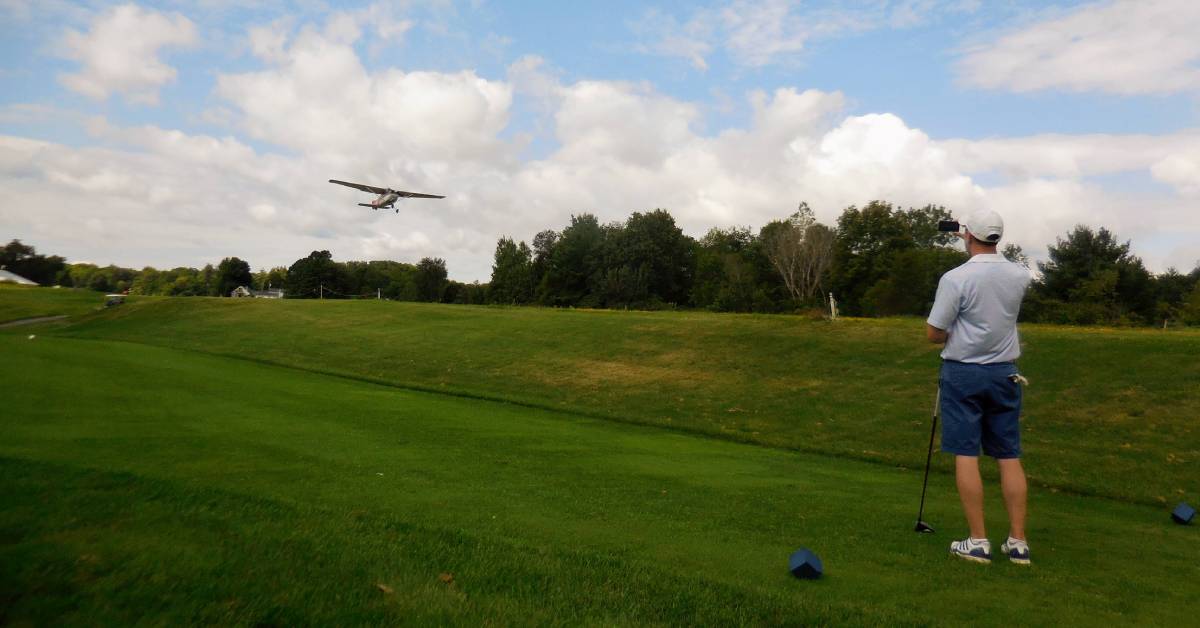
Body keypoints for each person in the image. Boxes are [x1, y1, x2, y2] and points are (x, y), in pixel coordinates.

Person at [926, 209, 1032, 565]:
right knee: (1008, 455)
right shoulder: (1020, 275)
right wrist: (973, 240)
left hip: (963, 374)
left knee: (966, 453)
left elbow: (933, 334)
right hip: (1005, 373)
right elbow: (991, 271)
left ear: (968, 235)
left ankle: (978, 540)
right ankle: (1018, 542)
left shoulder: (955, 279)